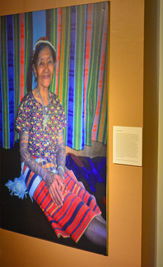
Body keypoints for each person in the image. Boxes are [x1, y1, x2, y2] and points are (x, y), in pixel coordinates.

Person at [13, 37, 106, 247]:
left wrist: (61, 172)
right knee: (74, 209)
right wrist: (47, 176)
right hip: (33, 168)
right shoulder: (27, 104)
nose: (46, 67)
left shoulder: (56, 103)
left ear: (54, 66)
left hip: (55, 166)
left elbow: (60, 147)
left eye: (49, 61)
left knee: (85, 198)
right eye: (41, 62)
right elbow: (24, 153)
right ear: (35, 70)